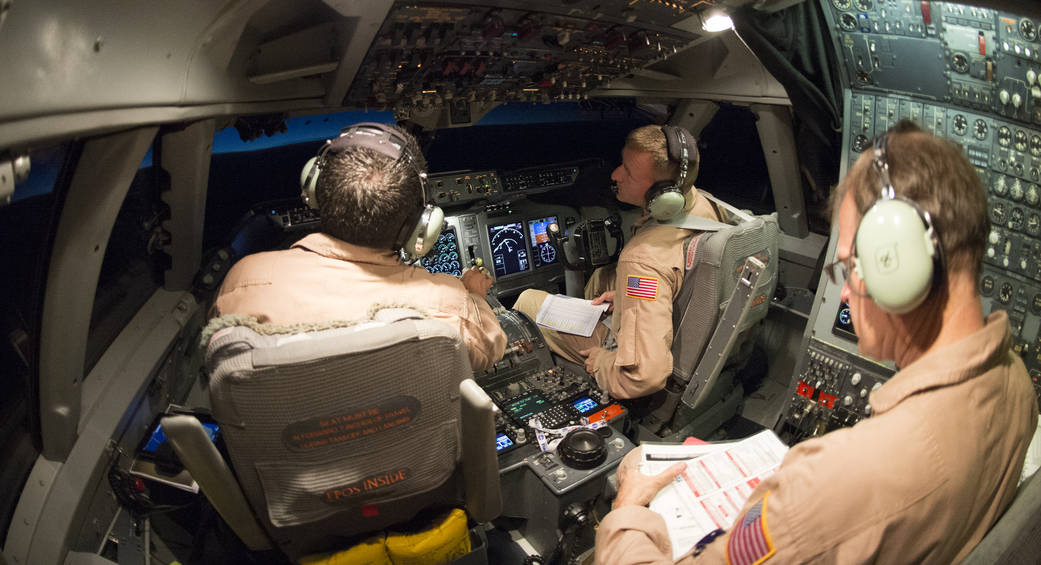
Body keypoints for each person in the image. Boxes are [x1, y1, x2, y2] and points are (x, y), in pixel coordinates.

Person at [595, 121, 1038, 564]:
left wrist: (628, 509)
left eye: (847, 267)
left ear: (895, 264)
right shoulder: (1015, 384)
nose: (843, 294)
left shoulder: (839, 482)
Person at [213, 122, 506, 371]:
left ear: (313, 192)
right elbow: (491, 349)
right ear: (420, 226)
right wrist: (475, 296)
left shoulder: (245, 282)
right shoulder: (448, 305)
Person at [514, 124, 723, 399]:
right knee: (601, 278)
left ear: (662, 192)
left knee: (527, 301)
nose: (615, 174)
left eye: (628, 170)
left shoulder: (642, 260)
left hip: (639, 355)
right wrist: (627, 297)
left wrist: (601, 361)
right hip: (686, 325)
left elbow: (644, 375)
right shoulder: (702, 205)